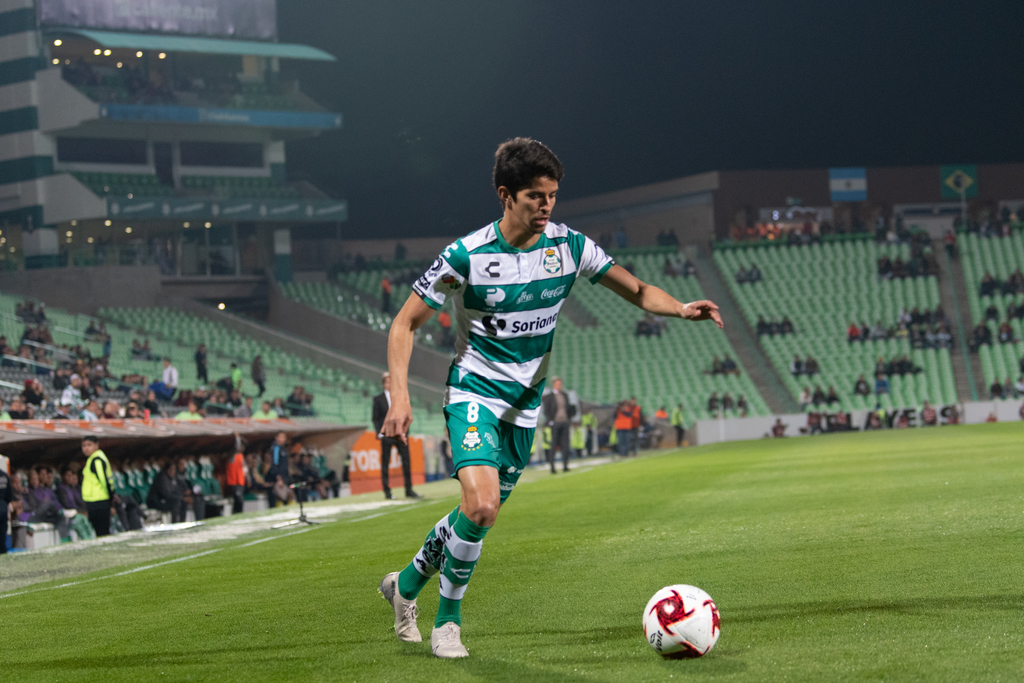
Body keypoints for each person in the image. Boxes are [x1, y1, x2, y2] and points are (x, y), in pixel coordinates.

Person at [376, 138, 723, 659]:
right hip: (474, 391)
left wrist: (680, 308)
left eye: (553, 195)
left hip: (525, 405)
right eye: (535, 196)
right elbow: (404, 323)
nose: (546, 206)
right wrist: (399, 398)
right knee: (483, 505)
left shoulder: (570, 248)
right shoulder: (467, 256)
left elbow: (635, 290)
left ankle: (404, 585)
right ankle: (448, 623)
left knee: (476, 513)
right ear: (505, 195)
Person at [372, 373, 420, 499]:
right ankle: (387, 492)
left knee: (406, 462)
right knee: (385, 463)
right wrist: (380, 433)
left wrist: (405, 431)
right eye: (388, 382)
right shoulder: (378, 399)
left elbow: (405, 414)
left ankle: (409, 490)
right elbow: (375, 418)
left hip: (400, 435)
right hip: (387, 435)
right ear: (384, 384)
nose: (390, 384)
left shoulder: (400, 398)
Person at [81, 435, 114, 536]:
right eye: (83, 446)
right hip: (96, 500)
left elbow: (103, 480)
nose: (86, 448)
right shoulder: (94, 458)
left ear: (96, 445)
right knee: (101, 530)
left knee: (101, 531)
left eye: (89, 445)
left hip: (98, 500)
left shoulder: (97, 460)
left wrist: (110, 498)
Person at [542, 377, 575, 473]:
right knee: (553, 445)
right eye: (557, 384)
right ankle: (552, 467)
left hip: (565, 422)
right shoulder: (549, 397)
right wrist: (550, 421)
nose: (559, 386)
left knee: (566, 445)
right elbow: (546, 410)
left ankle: (565, 465)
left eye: (560, 384)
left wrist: (569, 418)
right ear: (554, 385)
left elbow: (568, 408)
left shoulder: (565, 395)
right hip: (555, 423)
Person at [226, 437, 246, 514]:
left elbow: (244, 468)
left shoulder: (241, 456)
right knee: (238, 500)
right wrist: (237, 438)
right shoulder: (232, 456)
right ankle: (235, 513)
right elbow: (236, 448)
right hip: (234, 482)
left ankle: (238, 514)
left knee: (240, 501)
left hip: (241, 482)